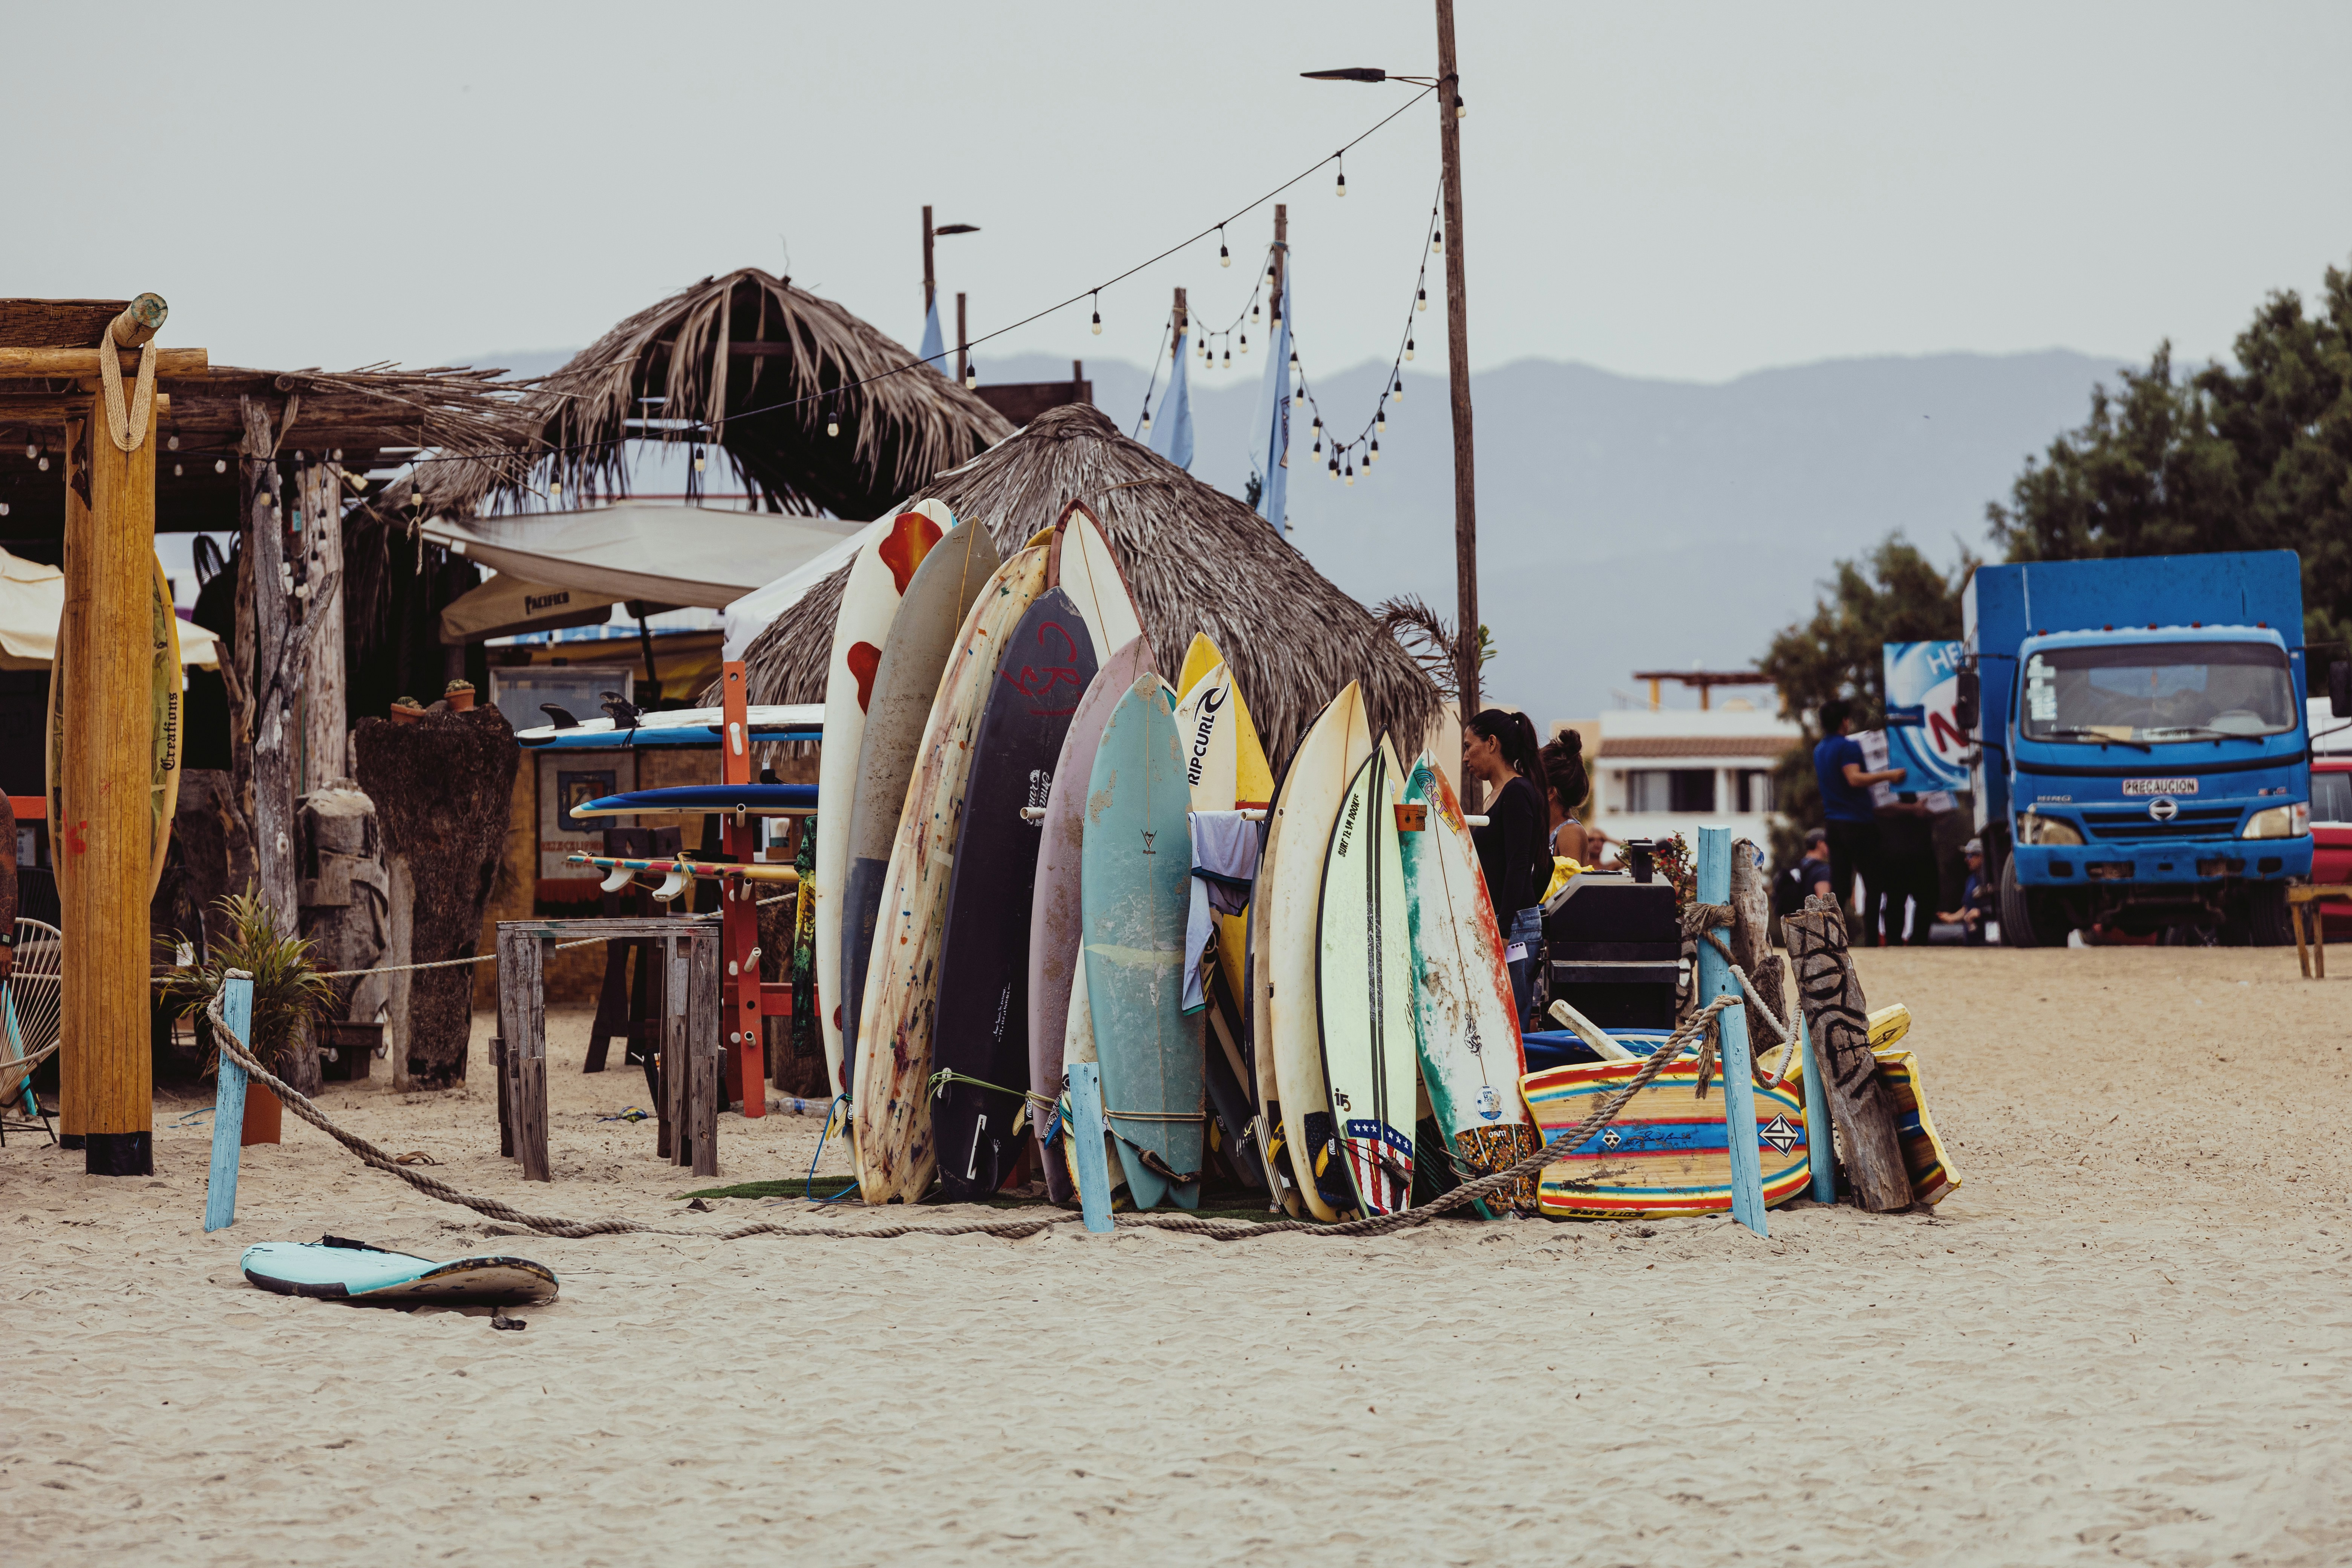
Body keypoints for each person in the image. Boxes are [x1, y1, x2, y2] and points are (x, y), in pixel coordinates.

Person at [1464, 708, 1549, 1026]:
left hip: (1512, 930)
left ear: (1492, 743)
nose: (1465, 758)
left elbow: (1520, 864)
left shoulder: (1517, 793)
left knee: (1511, 1019)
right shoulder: (1495, 797)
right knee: (1493, 1016)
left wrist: (1507, 926)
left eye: (1469, 746)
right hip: (1504, 922)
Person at [1812, 699, 1905, 925]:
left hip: (1833, 824)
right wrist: (1889, 775)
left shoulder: (1820, 750)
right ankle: (1872, 939)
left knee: (1840, 886)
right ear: (1845, 721)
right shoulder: (1848, 746)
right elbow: (1854, 778)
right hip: (1858, 823)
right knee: (1874, 883)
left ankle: (1833, 937)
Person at [1539, 730, 1600, 866]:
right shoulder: (1542, 830)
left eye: (1533, 783)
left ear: (1550, 792)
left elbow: (1570, 886)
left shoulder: (1570, 832)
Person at [1937, 838, 1997, 945]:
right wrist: (1952, 917)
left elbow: (2004, 906)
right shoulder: (1971, 880)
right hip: (1972, 938)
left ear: (1982, 857)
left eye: (1970, 856)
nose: (1966, 860)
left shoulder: (1996, 879)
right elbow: (1967, 907)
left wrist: (1982, 913)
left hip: (1991, 936)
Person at [1774, 827, 1834, 921]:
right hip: (1813, 922)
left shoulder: (1798, 866)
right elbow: (1823, 902)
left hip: (1795, 921)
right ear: (1820, 844)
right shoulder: (1823, 870)